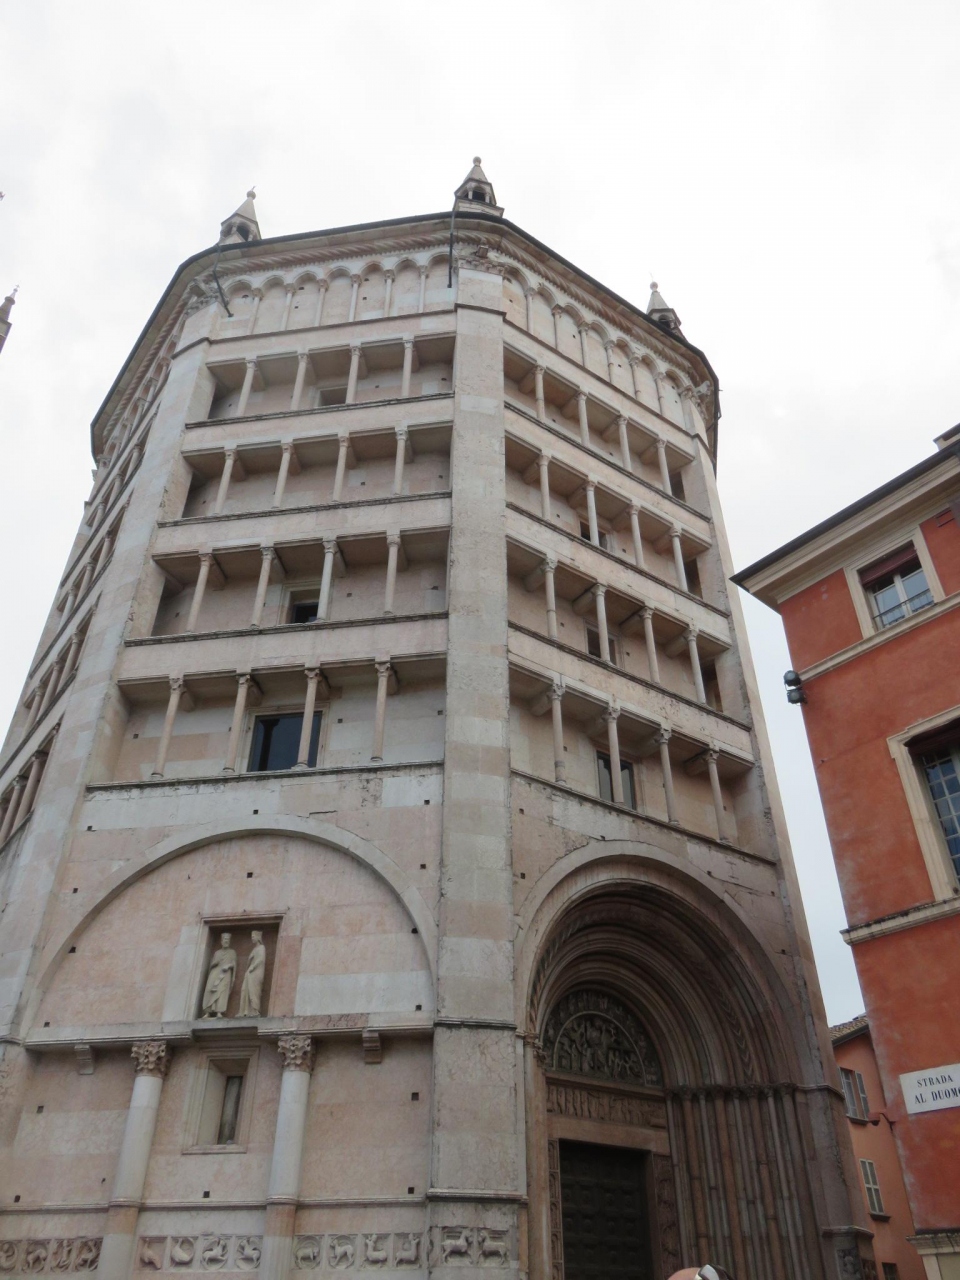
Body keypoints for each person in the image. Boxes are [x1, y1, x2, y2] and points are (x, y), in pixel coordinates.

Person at [200, 932, 237, 1018]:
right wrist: (214, 963)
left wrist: (228, 966)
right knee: (210, 990)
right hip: (215, 973)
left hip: (225, 973)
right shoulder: (217, 953)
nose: (226, 941)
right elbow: (212, 964)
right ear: (221, 941)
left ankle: (219, 1012)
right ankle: (208, 1012)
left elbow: (234, 964)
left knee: (222, 991)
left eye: (227, 940)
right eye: (225, 939)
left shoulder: (232, 952)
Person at [238, 931, 266, 1017]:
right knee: (245, 990)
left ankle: (254, 1010)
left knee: (254, 990)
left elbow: (261, 959)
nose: (252, 938)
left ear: (258, 937)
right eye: (251, 936)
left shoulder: (262, 948)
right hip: (250, 972)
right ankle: (245, 1010)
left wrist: (253, 967)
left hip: (256, 972)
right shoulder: (254, 949)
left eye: (253, 936)